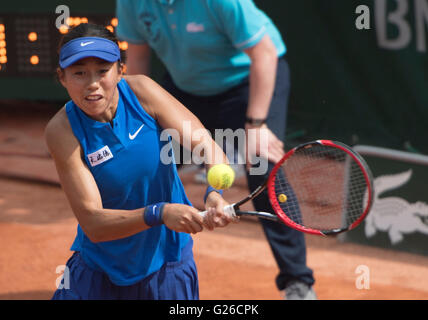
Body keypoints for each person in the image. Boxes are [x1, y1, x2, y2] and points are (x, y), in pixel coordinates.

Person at [116, 0, 316, 299]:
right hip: (186, 86)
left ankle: (297, 282)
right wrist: (134, 120)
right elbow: (139, 57)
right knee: (144, 158)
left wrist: (256, 125)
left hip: (247, 82)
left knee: (263, 166)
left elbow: (264, 52)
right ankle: (138, 273)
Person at [47, 23, 235, 300]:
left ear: (121, 70)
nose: (93, 84)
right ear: (62, 78)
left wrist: (214, 193)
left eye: (103, 71)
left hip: (166, 266)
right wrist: (160, 213)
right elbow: (94, 224)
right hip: (98, 269)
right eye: (79, 73)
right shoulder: (61, 130)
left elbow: (205, 144)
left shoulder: (142, 92)